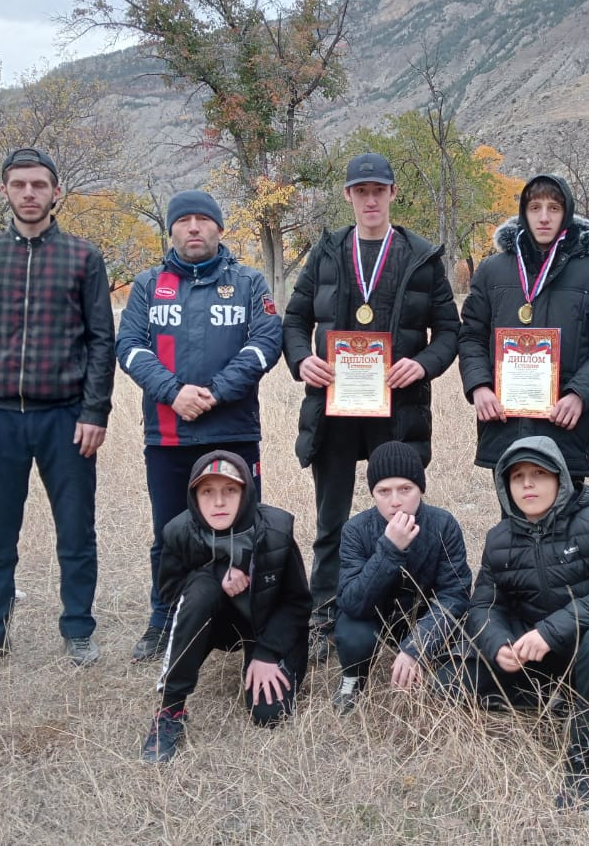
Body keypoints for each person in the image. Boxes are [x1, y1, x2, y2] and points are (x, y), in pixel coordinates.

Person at [0, 147, 115, 680]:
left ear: (56, 191)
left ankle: (78, 630)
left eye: (39, 185)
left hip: (65, 417)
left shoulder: (83, 258)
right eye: (19, 185)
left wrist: (95, 411)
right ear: (5, 191)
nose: (29, 194)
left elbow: (100, 341)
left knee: (75, 532)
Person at [282, 152, 460, 654]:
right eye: (361, 191)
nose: (370, 199)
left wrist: (422, 364)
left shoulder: (421, 256)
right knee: (331, 521)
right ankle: (324, 619)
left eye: (378, 190)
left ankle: (403, 613)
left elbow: (449, 331)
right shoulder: (325, 253)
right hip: (334, 413)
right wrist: (301, 362)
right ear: (348, 196)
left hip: (395, 411)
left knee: (400, 514)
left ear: (393, 193)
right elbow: (294, 322)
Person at [116, 190, 283, 663]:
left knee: (245, 528)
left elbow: (266, 343)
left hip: (232, 431)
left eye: (202, 220)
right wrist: (173, 392)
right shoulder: (148, 285)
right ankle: (163, 617)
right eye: (184, 221)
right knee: (168, 531)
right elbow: (128, 346)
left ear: (219, 229)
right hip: (168, 435)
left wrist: (215, 391)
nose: (194, 228)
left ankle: (249, 616)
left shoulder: (249, 282)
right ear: (170, 231)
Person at [443, 435, 589, 813]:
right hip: (537, 658)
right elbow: (483, 607)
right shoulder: (499, 539)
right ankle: (555, 698)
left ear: (560, 479)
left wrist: (552, 630)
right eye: (517, 476)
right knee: (448, 681)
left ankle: (585, 766)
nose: (527, 484)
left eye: (539, 473)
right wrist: (498, 644)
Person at [458, 174, 589, 484]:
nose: (544, 217)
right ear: (524, 212)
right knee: (511, 526)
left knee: (568, 526)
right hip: (504, 422)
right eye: (535, 207)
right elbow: (471, 335)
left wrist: (579, 394)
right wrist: (480, 386)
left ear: (568, 212)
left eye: (554, 207)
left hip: (563, 424)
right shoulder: (492, 269)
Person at [141, 451, 311, 763]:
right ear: (194, 496)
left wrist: (267, 653)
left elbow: (298, 603)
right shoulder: (179, 531)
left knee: (270, 714)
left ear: (246, 492)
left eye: (229, 490)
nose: (218, 502)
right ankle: (171, 708)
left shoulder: (276, 530)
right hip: (219, 623)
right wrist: (216, 574)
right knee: (201, 589)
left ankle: (259, 656)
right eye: (208, 492)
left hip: (267, 627)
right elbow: (170, 594)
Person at [332, 441, 472, 714]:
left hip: (425, 617)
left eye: (405, 489)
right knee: (353, 631)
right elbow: (351, 601)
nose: (395, 500)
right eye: (383, 491)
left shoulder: (443, 525)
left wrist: (416, 646)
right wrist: (389, 549)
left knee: (464, 639)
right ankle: (352, 677)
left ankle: (430, 669)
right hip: (377, 614)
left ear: (420, 489)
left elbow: (454, 596)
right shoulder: (356, 530)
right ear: (373, 493)